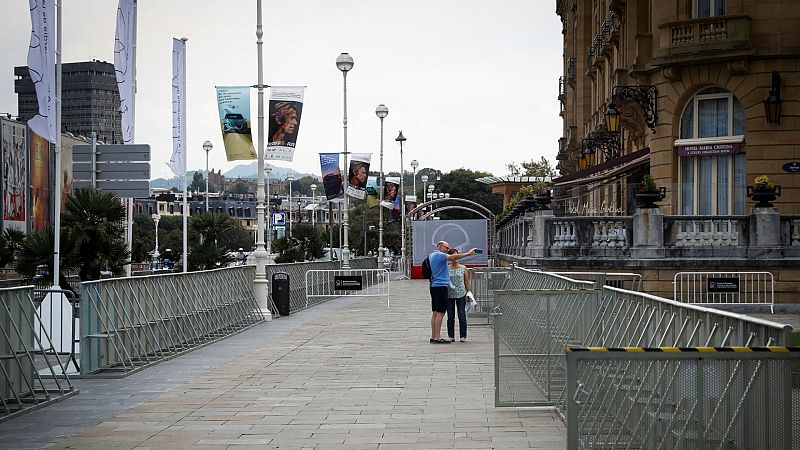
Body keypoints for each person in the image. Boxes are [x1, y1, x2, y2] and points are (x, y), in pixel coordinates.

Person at [428, 241, 476, 344]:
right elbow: (453, 257)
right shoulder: (440, 255)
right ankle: (437, 337)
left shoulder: (432, 255)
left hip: (435, 285)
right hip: (440, 287)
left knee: (435, 312)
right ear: (440, 247)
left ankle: (433, 336)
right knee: (441, 312)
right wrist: (468, 254)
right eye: (447, 247)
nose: (448, 249)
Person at [446, 248, 471, 342]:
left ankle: (463, 335)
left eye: (457, 255)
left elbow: (467, 282)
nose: (455, 258)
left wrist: (469, 293)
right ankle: (451, 335)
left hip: (461, 293)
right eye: (453, 256)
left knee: (461, 315)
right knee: (450, 316)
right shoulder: (446, 268)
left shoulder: (463, 268)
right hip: (449, 294)